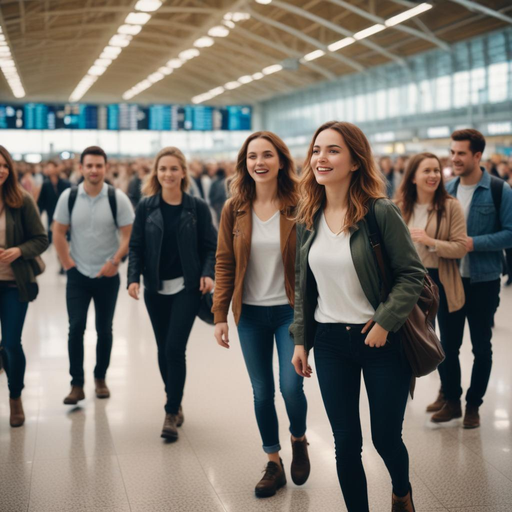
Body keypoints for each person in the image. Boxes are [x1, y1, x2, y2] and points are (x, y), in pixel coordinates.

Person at [291, 121, 425, 512]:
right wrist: (301, 339)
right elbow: (303, 285)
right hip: (331, 342)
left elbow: (412, 274)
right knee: (346, 441)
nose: (321, 158)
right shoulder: (307, 217)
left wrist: (385, 321)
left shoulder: (379, 212)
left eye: (333, 150)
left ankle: (402, 491)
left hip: (381, 339)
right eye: (317, 150)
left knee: (385, 437)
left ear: (354, 161)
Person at [213, 131, 310, 498]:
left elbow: (310, 263)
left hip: (289, 312)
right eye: (252, 156)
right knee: (261, 391)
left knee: (290, 386)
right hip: (249, 314)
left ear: (281, 161)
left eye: (267, 155)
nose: (259, 162)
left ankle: (298, 437)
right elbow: (224, 261)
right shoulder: (233, 208)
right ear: (244, 163)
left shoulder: (299, 205)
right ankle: (273, 461)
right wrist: (220, 313)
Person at [127, 147, 217, 441]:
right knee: (163, 348)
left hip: (187, 287)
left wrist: (208, 272)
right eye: (162, 169)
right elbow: (136, 245)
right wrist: (133, 279)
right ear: (156, 173)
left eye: (173, 168)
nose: (168, 174)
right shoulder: (146, 207)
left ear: (183, 172)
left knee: (174, 349)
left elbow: (210, 247)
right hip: (155, 288)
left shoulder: (197, 207)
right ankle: (175, 401)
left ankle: (170, 409)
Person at [436, 129, 512, 428]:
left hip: (483, 279)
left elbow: (510, 233)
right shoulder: (446, 190)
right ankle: (452, 400)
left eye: (461, 153)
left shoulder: (498, 189)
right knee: (447, 347)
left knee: (481, 346)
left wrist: (472, 243)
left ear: (477, 156)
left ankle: (473, 405)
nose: (454, 158)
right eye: (452, 152)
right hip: (449, 279)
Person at [53, 146, 134, 405]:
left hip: (107, 274)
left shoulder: (116, 198)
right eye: (89, 165)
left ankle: (100, 378)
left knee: (104, 329)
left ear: (105, 168)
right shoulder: (69, 197)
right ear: (81, 168)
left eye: (99, 165)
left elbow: (129, 235)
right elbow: (58, 232)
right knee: (75, 328)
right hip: (78, 274)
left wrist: (115, 261)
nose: (94, 170)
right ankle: (76, 384)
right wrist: (67, 263)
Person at [395, 153, 467, 415]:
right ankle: (405, 397)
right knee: (410, 340)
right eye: (426, 170)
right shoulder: (398, 206)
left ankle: (452, 400)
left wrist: (430, 241)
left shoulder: (450, 206)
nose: (433, 175)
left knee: (447, 344)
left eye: (436, 170)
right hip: (409, 282)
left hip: (441, 281)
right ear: (413, 176)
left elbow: (461, 247)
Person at [0, 145, 49, 427]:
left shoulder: (22, 200)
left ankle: (15, 397)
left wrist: (19, 250)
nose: (1, 170)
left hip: (13, 284)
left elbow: (41, 239)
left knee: (11, 343)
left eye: (5, 165)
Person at [37, 160, 71, 245]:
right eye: (47, 168)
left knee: (66, 234)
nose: (48, 170)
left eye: (50, 167)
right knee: (52, 233)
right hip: (51, 212)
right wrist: (38, 215)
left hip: (64, 213)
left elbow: (69, 199)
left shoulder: (65, 183)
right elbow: (41, 201)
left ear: (56, 168)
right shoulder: (45, 184)